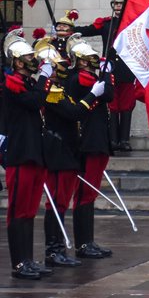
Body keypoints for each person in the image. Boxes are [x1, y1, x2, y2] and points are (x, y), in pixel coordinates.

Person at [36, 35, 100, 269]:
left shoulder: (59, 87)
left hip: (67, 148)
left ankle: (58, 249)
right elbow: (73, 113)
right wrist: (94, 94)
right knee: (57, 201)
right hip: (58, 148)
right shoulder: (50, 91)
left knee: (62, 199)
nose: (63, 68)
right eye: (58, 66)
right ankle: (53, 251)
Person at [3, 31, 53, 279]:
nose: (35, 60)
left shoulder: (30, 83)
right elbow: (34, 102)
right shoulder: (12, 82)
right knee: (17, 210)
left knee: (30, 210)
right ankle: (18, 263)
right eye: (29, 57)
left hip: (34, 152)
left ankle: (28, 259)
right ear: (18, 62)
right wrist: (45, 79)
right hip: (20, 153)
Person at [63, 35, 114, 261]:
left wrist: (106, 74)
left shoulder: (90, 78)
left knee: (89, 194)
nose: (94, 60)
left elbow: (108, 96)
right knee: (84, 194)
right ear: (81, 61)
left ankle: (88, 240)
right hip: (89, 141)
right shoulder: (80, 79)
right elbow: (106, 93)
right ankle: (83, 243)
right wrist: (107, 75)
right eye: (91, 58)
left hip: (98, 140)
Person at [81, 0, 138, 153]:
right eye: (116, 4)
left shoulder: (133, 23)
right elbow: (88, 30)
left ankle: (124, 139)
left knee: (126, 105)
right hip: (110, 70)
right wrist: (69, 28)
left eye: (121, 4)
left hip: (127, 69)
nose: (118, 7)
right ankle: (113, 139)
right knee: (113, 105)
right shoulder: (107, 24)